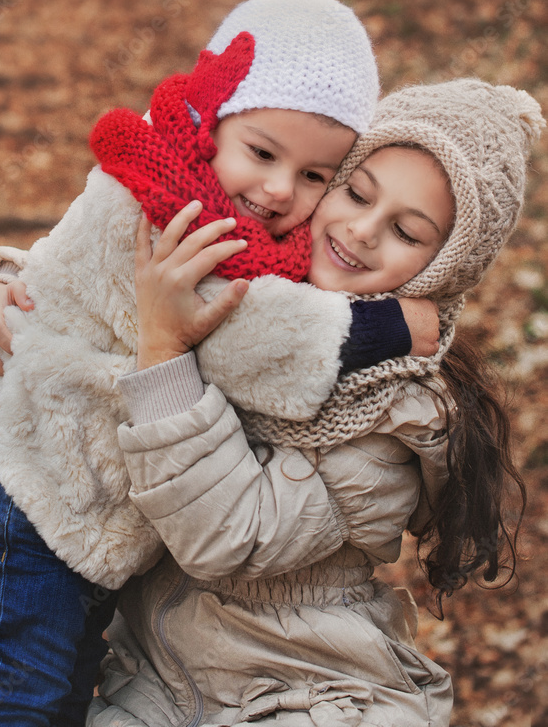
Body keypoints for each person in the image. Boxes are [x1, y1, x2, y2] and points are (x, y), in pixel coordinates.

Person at [0, 0, 439, 727]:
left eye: (314, 177)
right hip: (32, 485)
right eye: (262, 154)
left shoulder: (233, 213)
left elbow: (69, 274)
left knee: (64, 690)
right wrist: (393, 329)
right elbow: (243, 337)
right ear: (208, 124)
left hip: (81, 497)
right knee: (23, 688)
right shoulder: (170, 205)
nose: (279, 190)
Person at [85, 78, 544, 727]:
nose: (359, 230)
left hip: (307, 696)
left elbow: (227, 536)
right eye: (355, 192)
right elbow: (88, 274)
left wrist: (163, 349)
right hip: (153, 682)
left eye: (405, 232)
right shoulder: (255, 265)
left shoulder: (395, 414)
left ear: (444, 269)